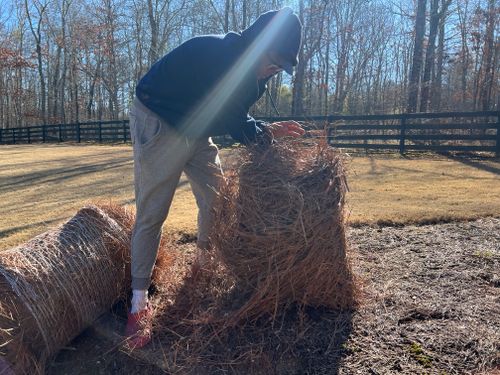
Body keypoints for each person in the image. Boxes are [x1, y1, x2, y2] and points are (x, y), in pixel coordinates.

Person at [125, 7, 304, 349]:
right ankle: (137, 304)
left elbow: (234, 114)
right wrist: (265, 133)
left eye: (280, 67)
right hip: (159, 116)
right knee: (153, 212)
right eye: (273, 60)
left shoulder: (255, 73)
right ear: (255, 44)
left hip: (196, 125)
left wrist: (264, 129)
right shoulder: (222, 57)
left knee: (218, 200)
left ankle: (201, 269)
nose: (273, 70)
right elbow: (236, 122)